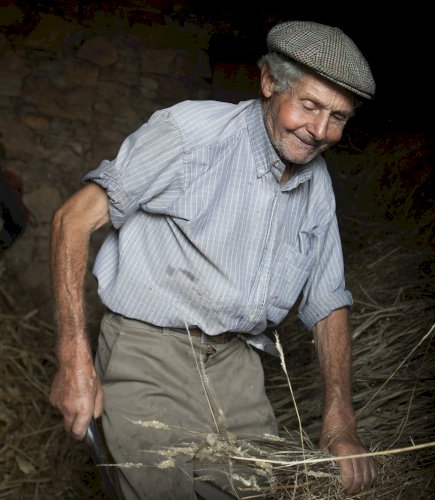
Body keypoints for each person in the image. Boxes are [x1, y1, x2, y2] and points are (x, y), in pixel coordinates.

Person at [49, 19, 377, 499]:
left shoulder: (316, 185)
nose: (320, 131)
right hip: (149, 353)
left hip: (237, 367)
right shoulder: (190, 135)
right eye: (309, 106)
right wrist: (73, 356)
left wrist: (340, 423)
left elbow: (328, 301)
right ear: (268, 81)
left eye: (339, 117)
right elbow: (71, 220)